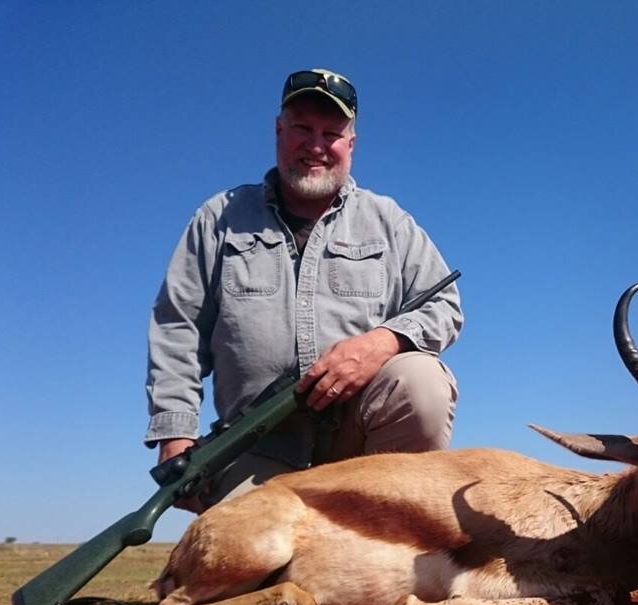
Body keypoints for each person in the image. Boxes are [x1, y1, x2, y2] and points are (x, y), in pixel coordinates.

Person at [145, 69, 463, 513]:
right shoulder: (218, 217)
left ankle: (394, 526)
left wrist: (382, 342)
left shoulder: (388, 221)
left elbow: (443, 303)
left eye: (331, 133)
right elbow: (177, 327)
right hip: (255, 445)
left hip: (359, 441)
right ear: (279, 130)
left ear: (350, 144)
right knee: (248, 562)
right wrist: (176, 436)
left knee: (421, 381)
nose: (316, 145)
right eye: (302, 129)